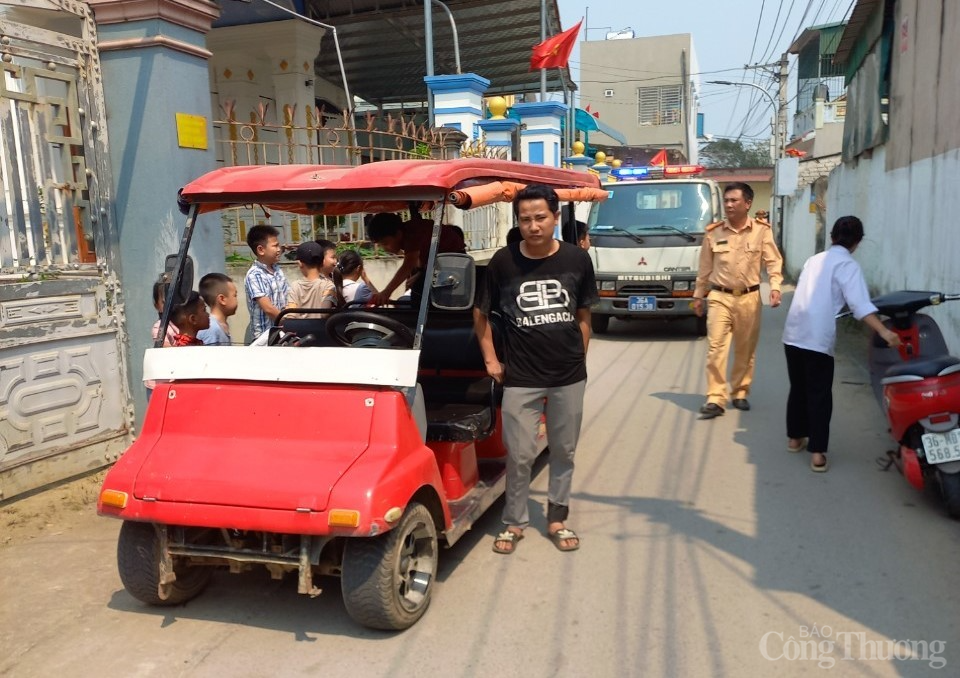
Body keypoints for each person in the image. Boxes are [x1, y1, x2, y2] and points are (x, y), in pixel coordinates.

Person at [474, 184, 596, 555]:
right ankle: (514, 521)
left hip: (568, 376)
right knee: (520, 453)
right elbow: (480, 315)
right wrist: (492, 361)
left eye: (541, 217)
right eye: (525, 219)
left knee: (564, 451)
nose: (533, 225)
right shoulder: (503, 262)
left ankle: (557, 518)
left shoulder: (577, 260)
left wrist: (580, 356)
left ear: (555, 218)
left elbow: (584, 315)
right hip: (521, 377)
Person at [782, 216, 900, 472]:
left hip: (793, 334)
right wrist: (884, 331)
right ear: (857, 242)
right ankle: (818, 454)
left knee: (799, 387)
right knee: (819, 394)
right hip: (817, 337)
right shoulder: (848, 265)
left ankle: (794, 438)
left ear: (832, 236)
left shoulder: (813, 260)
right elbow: (860, 305)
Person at [693, 182, 784, 419]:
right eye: (726, 200)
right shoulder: (713, 232)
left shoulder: (762, 231)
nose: (729, 205)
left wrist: (775, 287)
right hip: (719, 296)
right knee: (716, 348)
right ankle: (715, 397)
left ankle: (740, 392)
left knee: (745, 349)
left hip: (750, 298)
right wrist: (698, 296)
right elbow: (704, 267)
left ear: (748, 203)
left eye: (734, 200)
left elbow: (773, 261)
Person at [366, 212, 466, 305]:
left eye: (385, 244)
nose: (385, 249)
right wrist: (419, 274)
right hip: (441, 265)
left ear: (398, 233)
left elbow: (408, 265)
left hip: (453, 266)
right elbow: (424, 262)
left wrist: (386, 292)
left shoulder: (412, 233)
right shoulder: (413, 232)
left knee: (419, 288)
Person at [243, 224, 289, 344]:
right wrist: (288, 321)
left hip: (281, 332)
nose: (279, 249)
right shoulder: (254, 275)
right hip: (264, 337)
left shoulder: (278, 271)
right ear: (261, 250)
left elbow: (287, 299)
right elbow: (268, 308)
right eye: (275, 246)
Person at [286, 240, 337, 314]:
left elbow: (290, 314)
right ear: (322, 262)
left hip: (298, 325)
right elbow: (324, 313)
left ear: (300, 263)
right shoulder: (328, 285)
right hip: (322, 325)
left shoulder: (295, 286)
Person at [197, 273, 238, 346]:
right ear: (222, 299)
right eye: (235, 295)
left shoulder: (220, 326)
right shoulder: (211, 329)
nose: (236, 299)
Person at [150, 276, 179, 348]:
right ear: (157, 306)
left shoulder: (187, 320)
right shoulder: (159, 328)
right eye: (165, 303)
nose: (172, 305)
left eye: (175, 301)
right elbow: (165, 348)